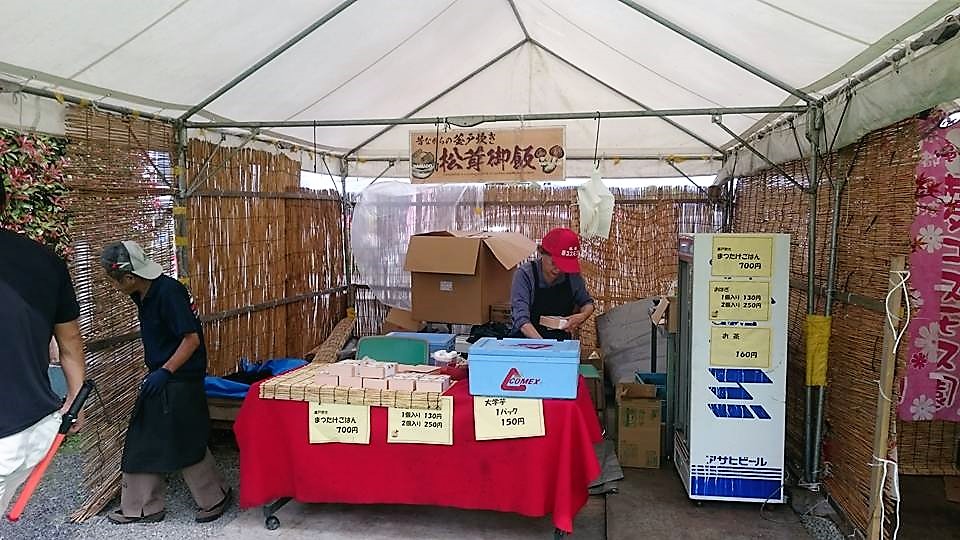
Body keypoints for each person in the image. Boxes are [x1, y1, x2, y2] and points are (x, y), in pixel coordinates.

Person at [99, 241, 229, 524]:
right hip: (164, 375)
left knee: (183, 437)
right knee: (147, 436)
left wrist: (166, 372)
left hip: (179, 377)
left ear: (130, 277)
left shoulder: (169, 293)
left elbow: (191, 340)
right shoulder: (143, 294)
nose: (113, 286)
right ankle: (145, 506)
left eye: (114, 280)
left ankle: (213, 497)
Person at [0, 178, 86, 514]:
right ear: (6, 203)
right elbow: (70, 341)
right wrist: (75, 398)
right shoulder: (45, 261)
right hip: (31, 430)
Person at [510, 227, 595, 340]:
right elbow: (521, 320)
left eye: (564, 265)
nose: (558, 270)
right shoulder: (525, 275)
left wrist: (582, 316)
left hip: (560, 341)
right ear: (540, 251)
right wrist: (544, 345)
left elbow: (587, 303)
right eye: (554, 263)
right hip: (526, 341)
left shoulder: (572, 276)